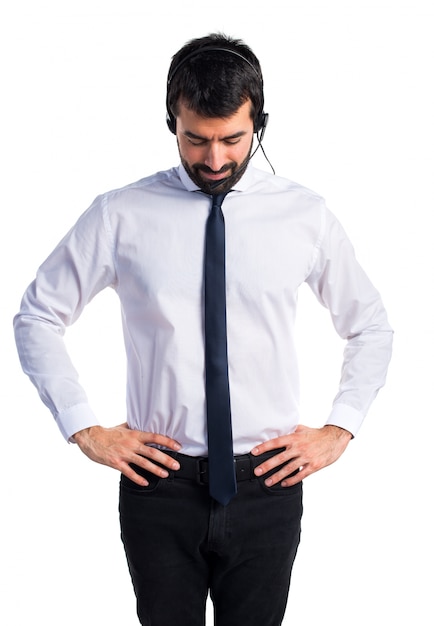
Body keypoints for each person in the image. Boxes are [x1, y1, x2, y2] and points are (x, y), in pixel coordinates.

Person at [14, 33, 393, 626]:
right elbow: (38, 315)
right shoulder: (121, 214)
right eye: (196, 139)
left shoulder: (305, 215)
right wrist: (83, 428)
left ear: (258, 124)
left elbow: (369, 324)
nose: (213, 160)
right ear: (173, 121)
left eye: (232, 140)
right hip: (158, 487)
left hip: (268, 484)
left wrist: (340, 428)